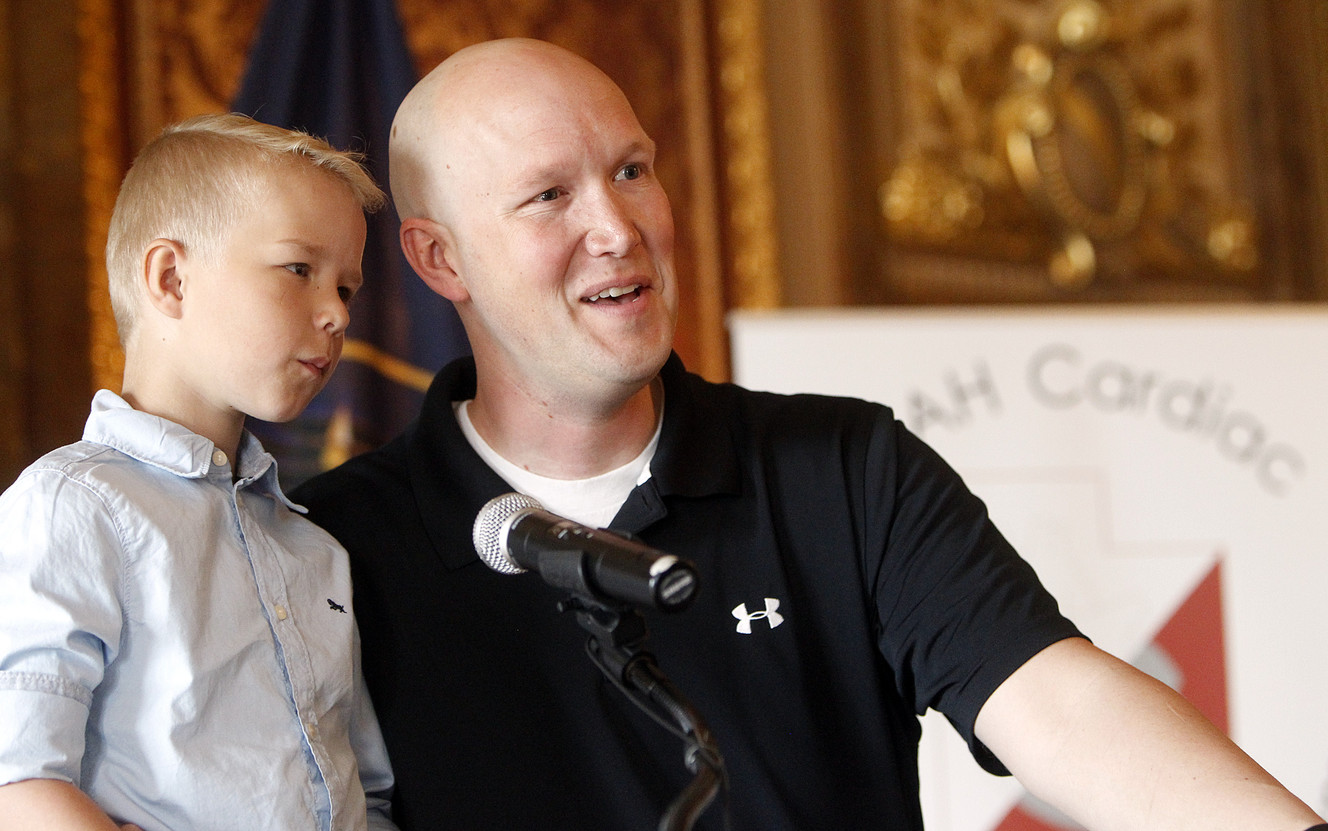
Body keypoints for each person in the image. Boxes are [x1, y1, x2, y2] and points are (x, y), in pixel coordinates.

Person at [292, 38, 1327, 831]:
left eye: (632, 170)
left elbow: (1058, 706)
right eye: (548, 196)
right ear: (439, 261)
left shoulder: (843, 469)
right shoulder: (327, 546)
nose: (617, 228)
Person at [0, 114, 398, 831]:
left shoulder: (317, 552)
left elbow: (367, 798)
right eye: (299, 269)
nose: (337, 314)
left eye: (347, 287)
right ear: (171, 277)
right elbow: (17, 781)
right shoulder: (72, 505)